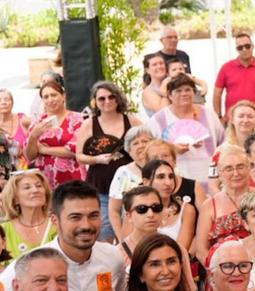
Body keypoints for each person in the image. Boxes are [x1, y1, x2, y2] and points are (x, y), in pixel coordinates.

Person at [74, 82, 139, 241]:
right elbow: (79, 156)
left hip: (130, 186)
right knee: (104, 232)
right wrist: (96, 159)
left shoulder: (132, 121)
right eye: (102, 98)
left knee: (133, 230)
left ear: (118, 99)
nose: (107, 101)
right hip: (101, 185)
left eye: (111, 97)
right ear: (95, 102)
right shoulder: (89, 124)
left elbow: (147, 146)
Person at [151, 73, 222, 184]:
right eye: (178, 91)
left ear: (194, 92)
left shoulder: (209, 114)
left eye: (188, 90)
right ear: (170, 95)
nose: (184, 94)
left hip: (210, 177)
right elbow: (152, 151)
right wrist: (172, 149)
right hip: (177, 179)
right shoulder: (159, 119)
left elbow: (222, 142)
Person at [193, 141, 253, 262]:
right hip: (221, 270)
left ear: (249, 168)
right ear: (220, 174)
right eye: (229, 169)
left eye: (240, 167)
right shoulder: (209, 206)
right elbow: (201, 251)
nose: (236, 173)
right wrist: (221, 271)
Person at [25, 79, 87, 188]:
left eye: (54, 95)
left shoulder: (77, 119)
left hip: (72, 177)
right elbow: (30, 155)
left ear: (63, 96)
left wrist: (43, 150)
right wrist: (34, 136)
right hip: (45, 180)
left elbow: (75, 150)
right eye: (46, 97)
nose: (50, 100)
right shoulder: (37, 121)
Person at [107, 126, 159, 237]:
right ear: (129, 151)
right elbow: (114, 211)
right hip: (132, 233)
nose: (141, 146)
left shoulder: (165, 168)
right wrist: (122, 238)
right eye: (135, 143)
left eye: (145, 141)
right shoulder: (123, 173)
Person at [214, 33, 255, 120]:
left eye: (247, 46)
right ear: (237, 50)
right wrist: (219, 117)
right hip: (232, 119)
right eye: (240, 47)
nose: (244, 49)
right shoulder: (226, 67)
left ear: (252, 46)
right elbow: (217, 94)